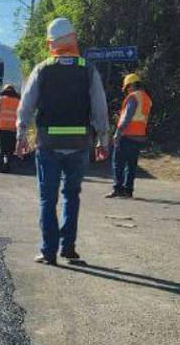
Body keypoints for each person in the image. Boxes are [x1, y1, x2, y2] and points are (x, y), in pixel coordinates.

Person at [15, 17, 110, 266]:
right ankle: (68, 249)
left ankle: (48, 252)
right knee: (72, 195)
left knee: (48, 199)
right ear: (73, 39)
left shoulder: (42, 69)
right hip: (79, 143)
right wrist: (103, 140)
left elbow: (25, 107)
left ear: (51, 43)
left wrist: (21, 135)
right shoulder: (87, 69)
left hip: (48, 145)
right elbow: (100, 108)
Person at [108, 72, 152, 199]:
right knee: (132, 165)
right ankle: (128, 190)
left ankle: (118, 189)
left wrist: (118, 133)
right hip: (139, 136)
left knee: (118, 162)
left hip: (127, 135)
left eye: (127, 87)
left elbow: (127, 117)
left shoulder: (133, 97)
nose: (127, 91)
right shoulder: (147, 99)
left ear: (132, 85)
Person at [0, 83, 21, 173]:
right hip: (13, 128)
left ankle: (4, 163)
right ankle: (8, 163)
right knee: (10, 149)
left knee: (3, 148)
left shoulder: (1, 100)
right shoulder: (18, 101)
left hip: (2, 128)